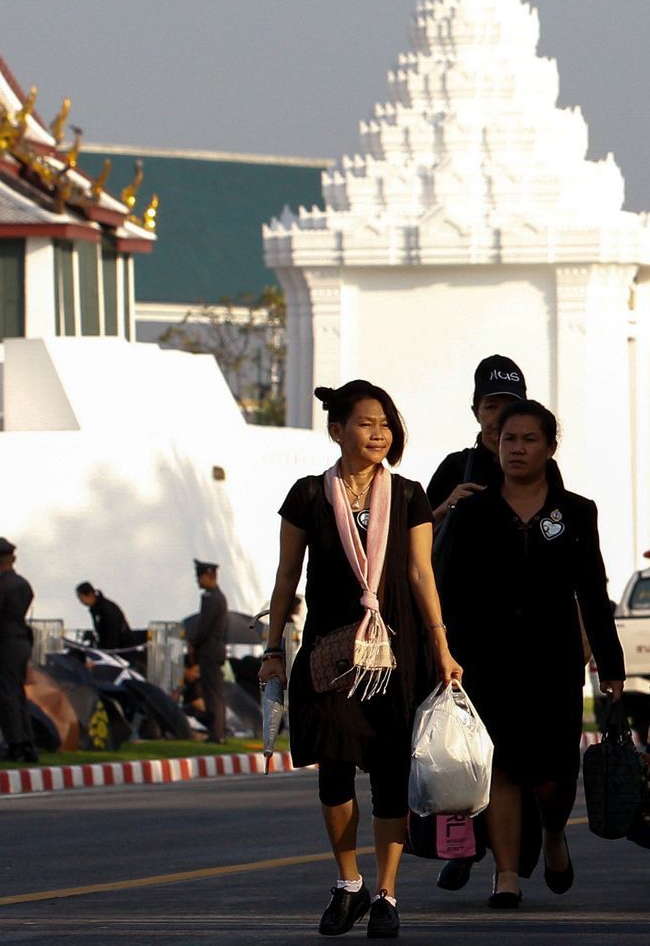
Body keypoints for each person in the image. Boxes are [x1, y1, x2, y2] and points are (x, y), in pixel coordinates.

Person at [257, 380, 460, 941]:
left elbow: (422, 574)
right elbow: (285, 578)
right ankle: (349, 884)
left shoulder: (411, 494)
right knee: (334, 768)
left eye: (386, 424)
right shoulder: (307, 496)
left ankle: (388, 894)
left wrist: (441, 647)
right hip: (328, 657)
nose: (378, 433)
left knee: (392, 775)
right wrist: (273, 650)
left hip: (397, 655)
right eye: (367, 423)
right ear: (337, 430)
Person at [436, 399, 622, 909]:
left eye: (529, 440)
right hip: (486, 659)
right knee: (502, 770)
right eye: (508, 439)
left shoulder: (576, 512)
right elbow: (448, 589)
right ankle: (507, 872)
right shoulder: (473, 511)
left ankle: (555, 833)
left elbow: (591, 588)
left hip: (553, 659)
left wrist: (611, 666)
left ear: (549, 448)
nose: (517, 449)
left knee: (551, 777)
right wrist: (443, 653)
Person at [426, 354, 529, 525]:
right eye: (491, 407)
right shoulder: (455, 466)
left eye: (511, 407)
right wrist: (446, 508)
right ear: (476, 412)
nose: (501, 417)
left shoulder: (543, 468)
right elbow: (416, 542)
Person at [0, 538, 36, 765]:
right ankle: (27, 743)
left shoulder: (1, 585)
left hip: (7, 642)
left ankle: (16, 745)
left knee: (7, 696)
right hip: (22, 640)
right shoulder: (23, 584)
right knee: (18, 694)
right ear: (13, 559)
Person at [191, 560, 230, 743]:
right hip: (214, 650)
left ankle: (217, 733)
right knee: (214, 691)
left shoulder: (212, 598)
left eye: (199, 577)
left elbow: (204, 628)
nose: (198, 581)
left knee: (212, 692)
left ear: (208, 576)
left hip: (210, 650)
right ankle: (218, 731)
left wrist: (194, 643)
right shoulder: (216, 597)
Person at [76, 583, 134, 653]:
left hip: (121, 648)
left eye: (81, 598)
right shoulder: (95, 608)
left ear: (89, 594)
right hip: (107, 646)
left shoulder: (107, 608)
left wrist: (107, 651)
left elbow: (113, 633)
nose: (81, 601)